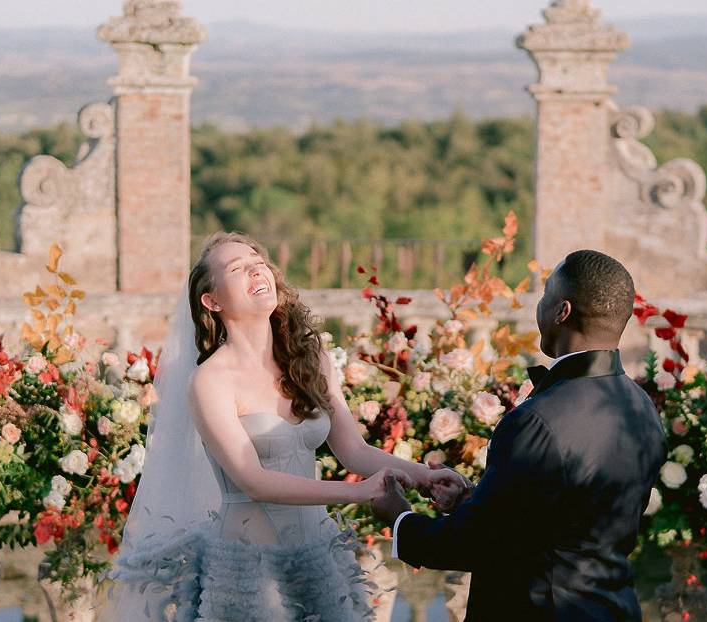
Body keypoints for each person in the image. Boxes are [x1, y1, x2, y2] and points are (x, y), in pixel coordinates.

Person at [101, 231, 464, 622]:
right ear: (212, 300)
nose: (257, 271)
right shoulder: (210, 381)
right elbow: (253, 481)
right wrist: (358, 492)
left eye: (259, 263)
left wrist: (427, 478)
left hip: (315, 554)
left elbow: (353, 451)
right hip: (247, 567)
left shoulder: (312, 359)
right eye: (238, 268)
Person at [372, 249, 667, 621]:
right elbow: (564, 520)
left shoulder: (538, 420)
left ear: (562, 311)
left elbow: (475, 544)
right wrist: (470, 500)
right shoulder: (642, 408)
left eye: (544, 295)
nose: (538, 306)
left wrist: (400, 519)